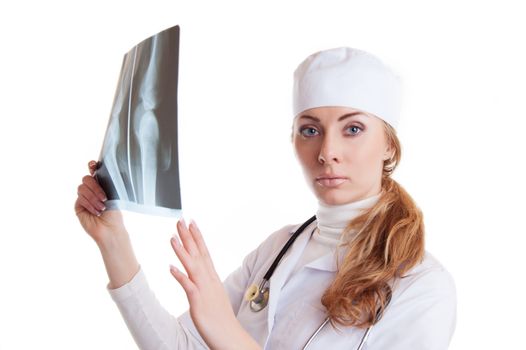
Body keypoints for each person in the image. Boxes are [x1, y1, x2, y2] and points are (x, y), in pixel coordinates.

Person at [74, 47, 456, 349]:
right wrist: (113, 242)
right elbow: (182, 346)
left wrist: (227, 333)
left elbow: (222, 337)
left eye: (353, 129)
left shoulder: (422, 287)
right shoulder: (279, 249)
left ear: (389, 145)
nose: (327, 152)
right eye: (310, 130)